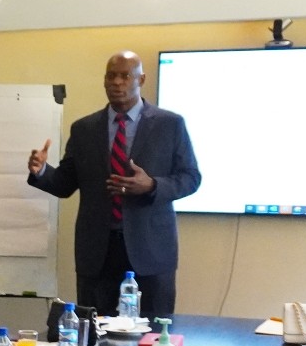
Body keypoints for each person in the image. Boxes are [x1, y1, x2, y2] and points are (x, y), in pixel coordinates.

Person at [26, 51, 200, 318]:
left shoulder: (170, 124)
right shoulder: (84, 128)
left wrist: (152, 185)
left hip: (151, 250)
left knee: (153, 333)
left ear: (140, 79)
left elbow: (190, 177)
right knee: (94, 333)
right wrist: (41, 172)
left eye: (125, 76)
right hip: (98, 250)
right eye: (111, 76)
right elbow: (66, 183)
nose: (117, 82)